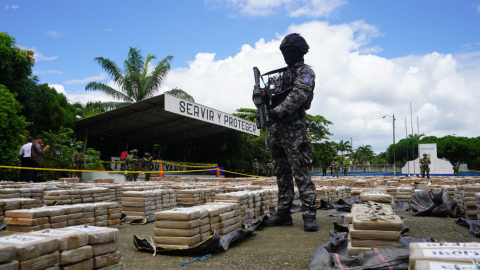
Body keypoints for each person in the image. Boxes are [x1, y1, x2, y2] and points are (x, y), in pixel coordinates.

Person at [259, 33, 318, 231]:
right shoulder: (281, 76)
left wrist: (277, 113)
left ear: (300, 52)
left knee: (301, 173)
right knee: (282, 174)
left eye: (290, 50)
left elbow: (299, 95)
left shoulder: (306, 72)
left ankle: (309, 215)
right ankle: (283, 213)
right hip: (276, 130)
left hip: (294, 129)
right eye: (284, 51)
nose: (286, 54)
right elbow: (271, 99)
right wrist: (262, 97)